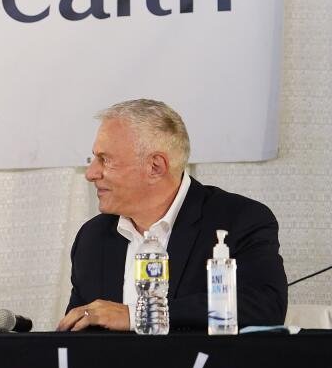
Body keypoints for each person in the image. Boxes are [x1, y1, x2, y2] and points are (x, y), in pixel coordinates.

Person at [57, 99, 287, 332]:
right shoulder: (92, 237)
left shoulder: (239, 220)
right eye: (94, 159)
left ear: (155, 167)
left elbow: (265, 306)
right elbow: (77, 336)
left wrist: (138, 315)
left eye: (105, 160)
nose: (91, 173)